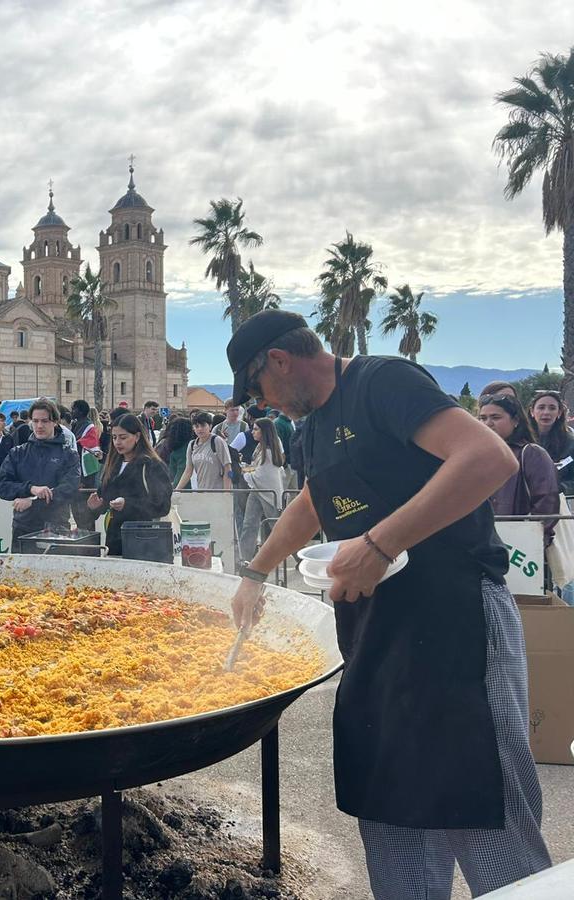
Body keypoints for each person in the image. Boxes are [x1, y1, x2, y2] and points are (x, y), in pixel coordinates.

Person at [225, 310, 550, 899]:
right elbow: (313, 502)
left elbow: (486, 459)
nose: (262, 403)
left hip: (458, 619)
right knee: (392, 797)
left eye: (257, 389)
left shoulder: (382, 382)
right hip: (377, 634)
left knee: (482, 804)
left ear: (278, 360)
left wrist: (380, 543)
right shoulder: (312, 429)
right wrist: (255, 570)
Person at [0, 399, 81, 549]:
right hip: (23, 528)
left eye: (45, 421)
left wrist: (33, 501)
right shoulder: (18, 453)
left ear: (55, 422)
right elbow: (2, 486)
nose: (39, 426)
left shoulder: (69, 455)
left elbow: (69, 489)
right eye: (35, 421)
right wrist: (30, 489)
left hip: (57, 527)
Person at [87, 413, 172, 556]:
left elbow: (162, 506)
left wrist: (128, 504)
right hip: (115, 541)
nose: (118, 442)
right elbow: (104, 500)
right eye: (114, 437)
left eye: (123, 437)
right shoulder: (113, 465)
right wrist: (93, 507)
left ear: (137, 436)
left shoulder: (152, 465)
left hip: (145, 542)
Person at [480, 394, 560, 546]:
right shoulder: (478, 456)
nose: (488, 423)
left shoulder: (532, 453)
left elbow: (546, 505)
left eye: (495, 417)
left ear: (515, 421)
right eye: (483, 418)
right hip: (486, 543)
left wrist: (529, 539)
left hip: (522, 547)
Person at [237, 417, 286, 562]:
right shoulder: (260, 449)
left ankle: (297, 556)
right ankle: (244, 559)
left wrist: (245, 473)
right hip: (257, 491)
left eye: (256, 429)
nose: (253, 432)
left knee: (277, 528)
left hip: (269, 494)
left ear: (264, 432)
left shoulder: (269, 452)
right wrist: (249, 471)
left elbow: (261, 475)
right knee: (249, 525)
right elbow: (258, 472)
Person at [527, 390, 574, 495]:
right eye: (541, 407)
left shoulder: (570, 444)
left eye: (552, 408)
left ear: (559, 413)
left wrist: (560, 487)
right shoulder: (521, 440)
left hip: (557, 503)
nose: (546, 412)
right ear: (532, 411)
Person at [173, 411, 233, 491]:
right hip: (201, 492)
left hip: (219, 492)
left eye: (203, 425)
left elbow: (228, 469)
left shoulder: (217, 441)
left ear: (210, 426)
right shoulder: (192, 445)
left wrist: (226, 493)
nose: (200, 429)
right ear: (193, 428)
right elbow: (188, 471)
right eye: (197, 426)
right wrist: (177, 490)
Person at [69, 399, 102, 531]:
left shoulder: (89, 427)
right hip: (75, 475)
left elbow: (91, 451)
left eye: (74, 409)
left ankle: (89, 544)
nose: (71, 412)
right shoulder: (77, 425)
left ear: (81, 411)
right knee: (77, 514)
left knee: (85, 516)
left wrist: (83, 480)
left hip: (85, 479)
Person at [156, 415, 193, 487]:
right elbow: (181, 472)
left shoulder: (167, 444)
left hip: (169, 484)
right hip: (182, 488)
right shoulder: (185, 448)